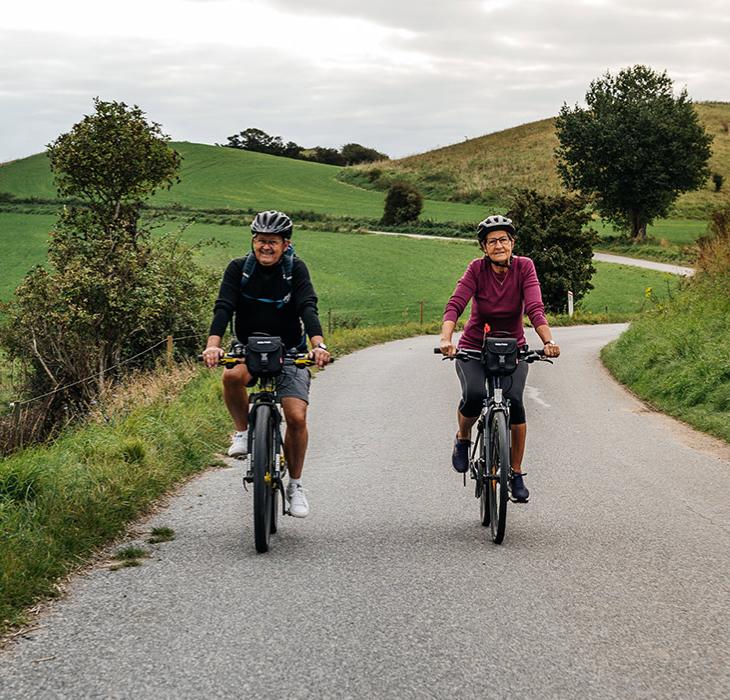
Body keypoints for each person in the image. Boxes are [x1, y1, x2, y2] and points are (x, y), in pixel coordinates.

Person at [202, 210, 330, 518]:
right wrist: (213, 345)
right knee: (231, 376)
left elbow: (307, 307)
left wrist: (318, 345)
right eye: (261, 241)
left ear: (286, 244)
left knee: (296, 417)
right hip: (247, 347)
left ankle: (295, 486)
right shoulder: (238, 269)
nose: (266, 247)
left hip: (289, 350)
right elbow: (224, 307)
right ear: (253, 241)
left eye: (273, 242)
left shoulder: (295, 269)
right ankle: (243, 433)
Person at [439, 215, 560, 502]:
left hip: (513, 349)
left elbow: (534, 308)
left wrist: (548, 341)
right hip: (473, 348)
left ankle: (515, 473)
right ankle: (463, 439)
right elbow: (456, 304)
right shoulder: (476, 270)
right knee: (474, 395)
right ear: (483, 247)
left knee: (516, 402)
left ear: (512, 243)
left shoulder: (525, 267)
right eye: (492, 241)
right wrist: (446, 339)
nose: (498, 245)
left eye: (503, 239)